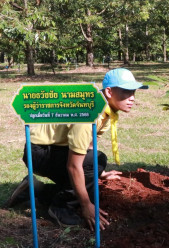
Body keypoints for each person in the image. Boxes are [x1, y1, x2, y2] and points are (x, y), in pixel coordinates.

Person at [6, 68, 148, 230]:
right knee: (89, 164)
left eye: (134, 92)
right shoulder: (90, 115)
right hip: (38, 153)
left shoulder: (106, 111)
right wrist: (86, 205)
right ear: (109, 91)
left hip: (54, 149)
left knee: (97, 160)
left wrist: (99, 172)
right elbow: (73, 166)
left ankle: (36, 190)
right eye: (126, 92)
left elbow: (89, 147)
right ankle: (60, 208)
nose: (132, 98)